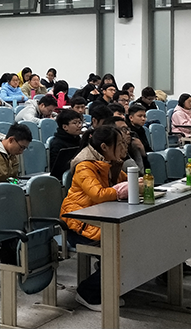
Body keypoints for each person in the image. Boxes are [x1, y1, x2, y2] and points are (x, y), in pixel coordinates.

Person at [60, 126, 130, 311]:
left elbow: (125, 182)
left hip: (99, 220)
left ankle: (106, 278)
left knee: (135, 241)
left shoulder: (110, 163)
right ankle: (87, 293)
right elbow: (98, 194)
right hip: (79, 225)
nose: (123, 148)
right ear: (105, 147)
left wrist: (134, 182)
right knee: (121, 250)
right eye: (120, 144)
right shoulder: (85, 165)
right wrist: (124, 189)